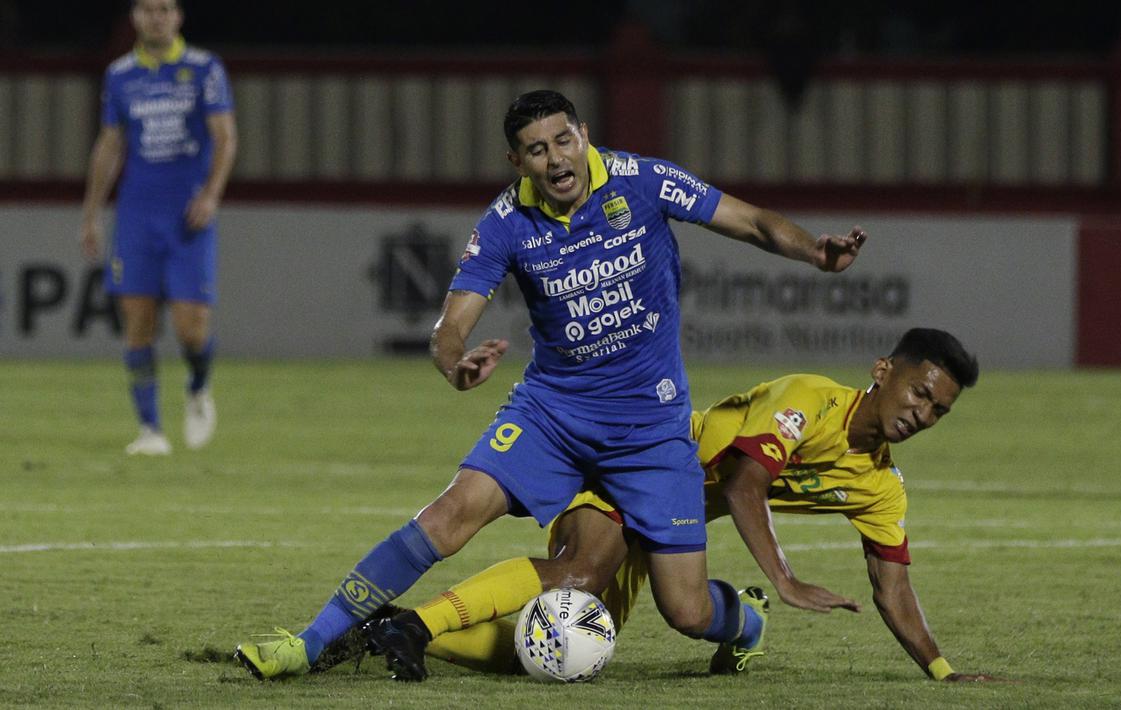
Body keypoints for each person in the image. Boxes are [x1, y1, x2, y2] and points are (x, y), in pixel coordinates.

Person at [235, 89, 866, 681]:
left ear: (583, 135)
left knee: (688, 611)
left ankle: (747, 620)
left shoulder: (641, 181)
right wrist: (454, 364)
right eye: (537, 150)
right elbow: (451, 324)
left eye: (563, 140)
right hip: (553, 415)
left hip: (650, 432)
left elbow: (751, 222)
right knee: (450, 515)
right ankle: (308, 643)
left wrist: (815, 253)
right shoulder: (507, 221)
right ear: (518, 161)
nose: (555, 158)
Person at [313, 328, 1001, 682]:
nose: (923, 413)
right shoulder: (809, 399)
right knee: (578, 577)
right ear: (884, 372)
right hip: (634, 464)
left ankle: (746, 623)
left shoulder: (880, 486)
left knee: (588, 642)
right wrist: (787, 577)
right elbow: (740, 484)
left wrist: (939, 669)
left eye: (937, 410)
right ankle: (409, 627)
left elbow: (893, 588)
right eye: (918, 393)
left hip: (671, 530)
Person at [80, 0, 236, 455]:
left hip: (187, 215)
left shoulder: (204, 69)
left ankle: (198, 386)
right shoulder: (120, 75)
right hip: (136, 215)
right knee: (138, 322)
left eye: (165, 9)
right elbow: (110, 144)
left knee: (192, 328)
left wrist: (210, 194)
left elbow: (225, 136)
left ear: (179, 17)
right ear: (134, 17)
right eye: (148, 9)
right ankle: (150, 430)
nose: (157, 17)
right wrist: (91, 212)